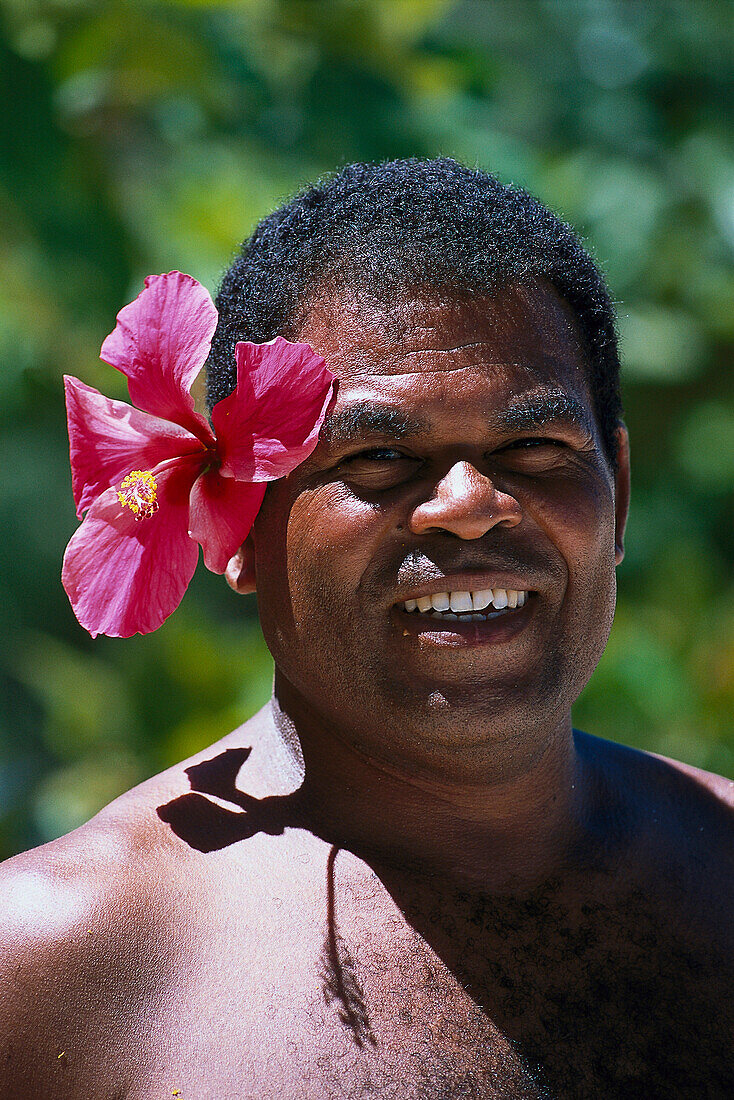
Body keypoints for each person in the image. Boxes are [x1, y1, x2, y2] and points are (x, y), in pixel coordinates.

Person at [1, 158, 732, 1100]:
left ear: (620, 494)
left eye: (533, 448)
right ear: (242, 523)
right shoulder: (50, 973)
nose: (469, 504)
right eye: (379, 455)